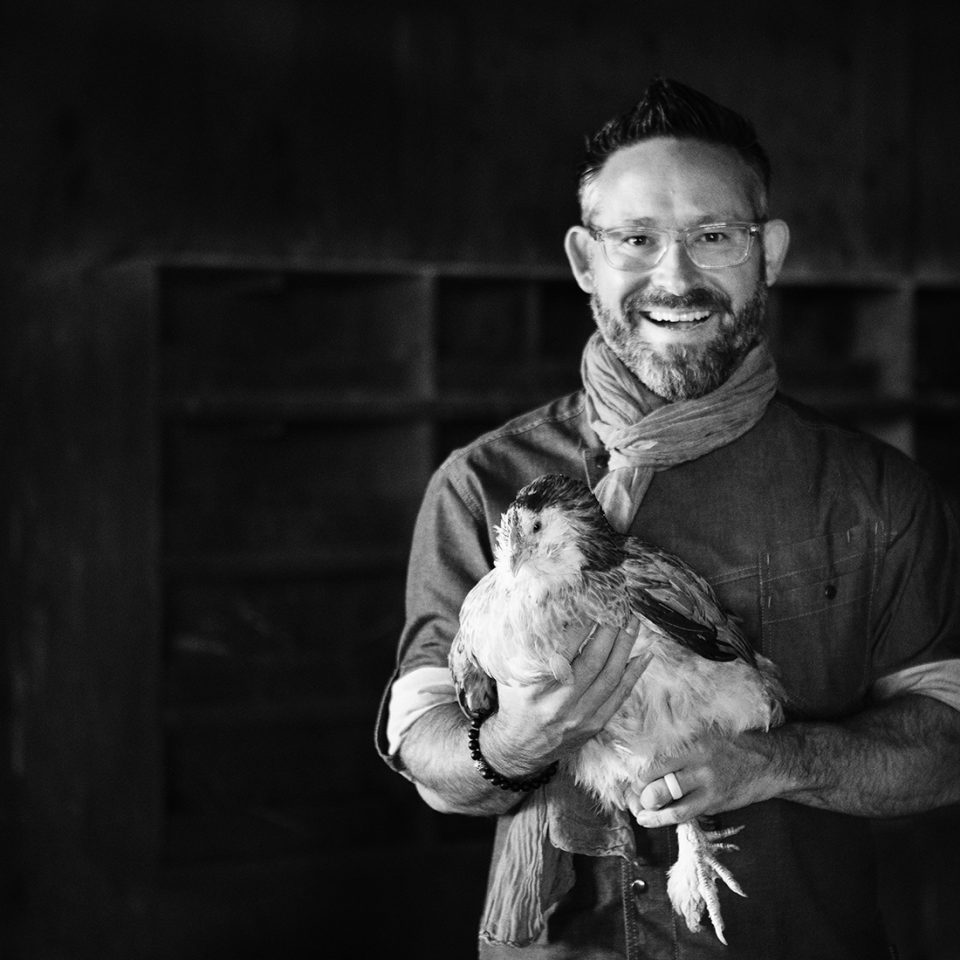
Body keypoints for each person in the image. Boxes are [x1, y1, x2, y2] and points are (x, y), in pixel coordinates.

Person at [374, 77, 960, 959]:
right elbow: (426, 751)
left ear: (769, 253)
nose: (675, 276)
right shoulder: (482, 487)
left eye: (714, 236)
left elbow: (947, 747)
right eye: (636, 239)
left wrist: (774, 761)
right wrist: (518, 739)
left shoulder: (878, 495)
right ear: (584, 260)